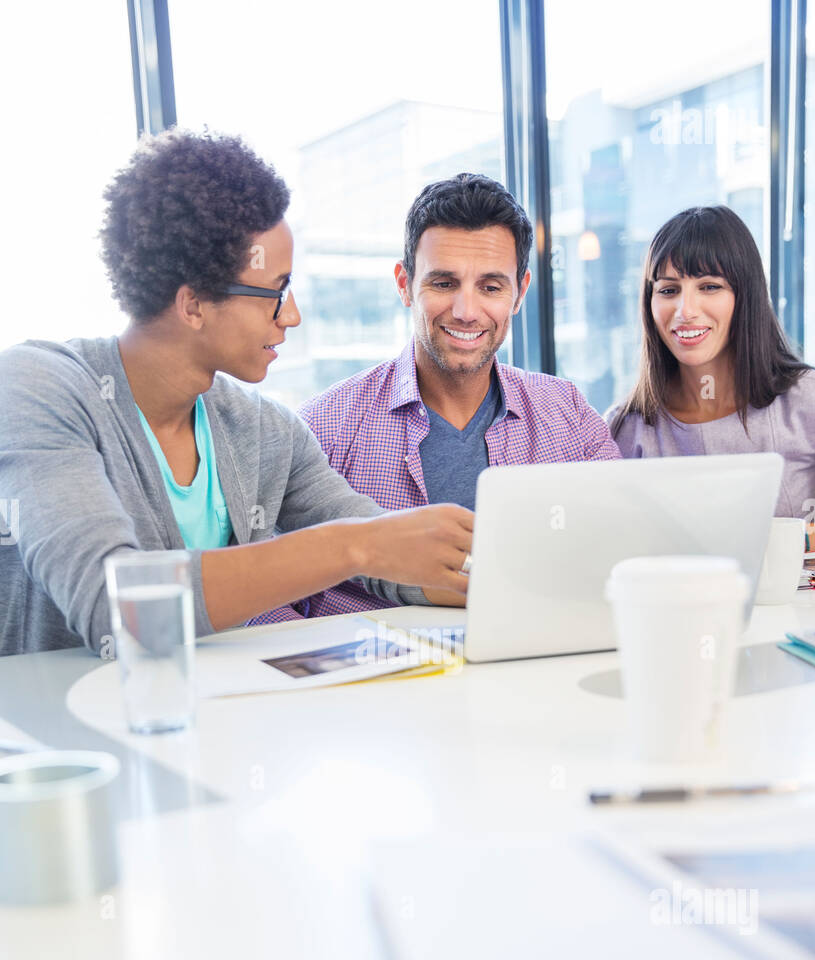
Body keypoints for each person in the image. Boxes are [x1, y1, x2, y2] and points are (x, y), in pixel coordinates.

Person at [0, 129, 473, 658]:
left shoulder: (264, 428)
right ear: (192, 305)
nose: (292, 316)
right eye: (275, 292)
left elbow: (385, 554)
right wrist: (352, 545)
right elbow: (112, 608)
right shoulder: (34, 387)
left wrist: (491, 580)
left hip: (216, 718)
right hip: (62, 726)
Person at [258, 173, 619, 623]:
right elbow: (262, 600)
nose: (466, 312)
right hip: (374, 684)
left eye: (490, 287)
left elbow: (619, 556)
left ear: (520, 292)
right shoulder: (322, 429)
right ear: (404, 284)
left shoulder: (570, 418)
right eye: (444, 284)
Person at [607, 204, 815, 553]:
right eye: (669, 290)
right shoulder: (627, 427)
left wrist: (794, 540)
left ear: (744, 297)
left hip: (793, 604)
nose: (685, 311)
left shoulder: (812, 399)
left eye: (709, 287)